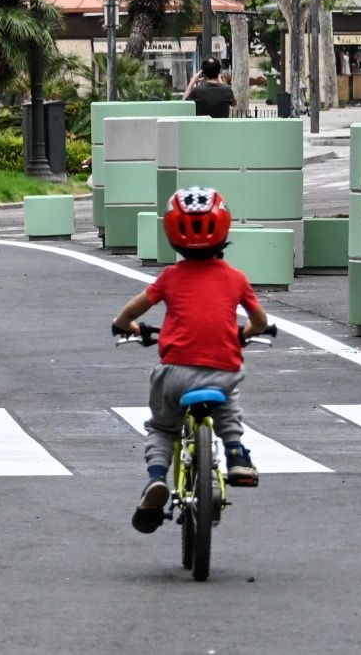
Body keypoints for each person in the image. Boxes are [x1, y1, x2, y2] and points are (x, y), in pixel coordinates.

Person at [112, 187, 269, 533]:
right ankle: (236, 453)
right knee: (228, 406)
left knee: (163, 427)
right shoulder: (236, 278)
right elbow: (260, 321)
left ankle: (156, 478)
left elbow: (133, 309)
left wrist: (125, 326)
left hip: (175, 374)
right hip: (221, 373)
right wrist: (244, 334)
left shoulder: (170, 278)